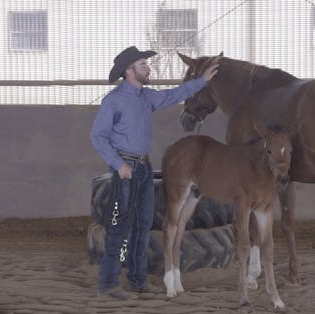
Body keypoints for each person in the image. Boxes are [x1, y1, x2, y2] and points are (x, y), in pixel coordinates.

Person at [90, 46, 219, 300]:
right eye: (142, 64)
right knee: (119, 226)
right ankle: (108, 283)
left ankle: (138, 280)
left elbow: (173, 95)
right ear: (129, 71)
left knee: (143, 225)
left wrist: (201, 81)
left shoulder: (145, 97)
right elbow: (98, 137)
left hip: (143, 167)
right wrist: (119, 165)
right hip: (125, 169)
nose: (148, 68)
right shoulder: (113, 100)